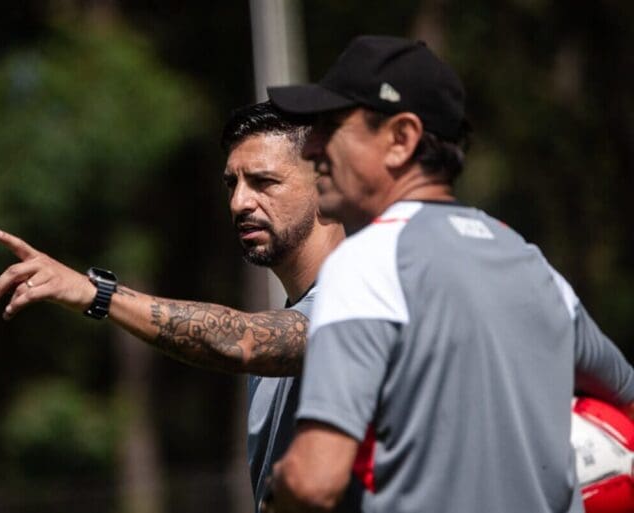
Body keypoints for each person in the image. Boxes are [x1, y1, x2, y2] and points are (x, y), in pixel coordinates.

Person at [264, 35, 634, 513]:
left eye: (331, 126)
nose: (311, 147)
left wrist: (281, 487)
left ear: (401, 138)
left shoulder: (367, 264)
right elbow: (626, 395)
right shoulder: (531, 263)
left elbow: (316, 480)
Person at [0, 101, 346, 512]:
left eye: (263, 182)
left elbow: (241, 341)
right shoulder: (294, 316)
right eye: (232, 184)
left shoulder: (362, 303)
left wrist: (97, 294)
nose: (239, 203)